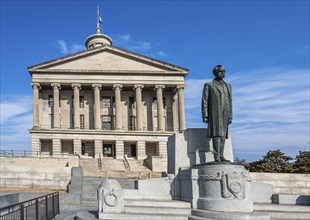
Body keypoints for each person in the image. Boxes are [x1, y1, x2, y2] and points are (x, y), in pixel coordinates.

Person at [201, 64, 232, 162]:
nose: (222, 73)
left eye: (224, 71)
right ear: (215, 73)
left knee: (223, 136)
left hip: (225, 112)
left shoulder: (228, 86)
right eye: (220, 71)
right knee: (217, 135)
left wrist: (230, 116)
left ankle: (221, 155)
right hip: (215, 112)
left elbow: (230, 102)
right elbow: (205, 101)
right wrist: (205, 115)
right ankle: (217, 156)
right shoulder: (209, 85)